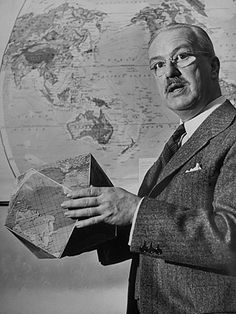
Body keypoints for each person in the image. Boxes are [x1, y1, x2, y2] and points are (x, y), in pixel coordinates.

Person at [61, 23, 236, 313]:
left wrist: (135, 211)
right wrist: (87, 226)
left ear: (213, 67)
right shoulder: (180, 141)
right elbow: (151, 234)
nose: (169, 72)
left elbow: (230, 238)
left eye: (182, 57)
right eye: (158, 64)